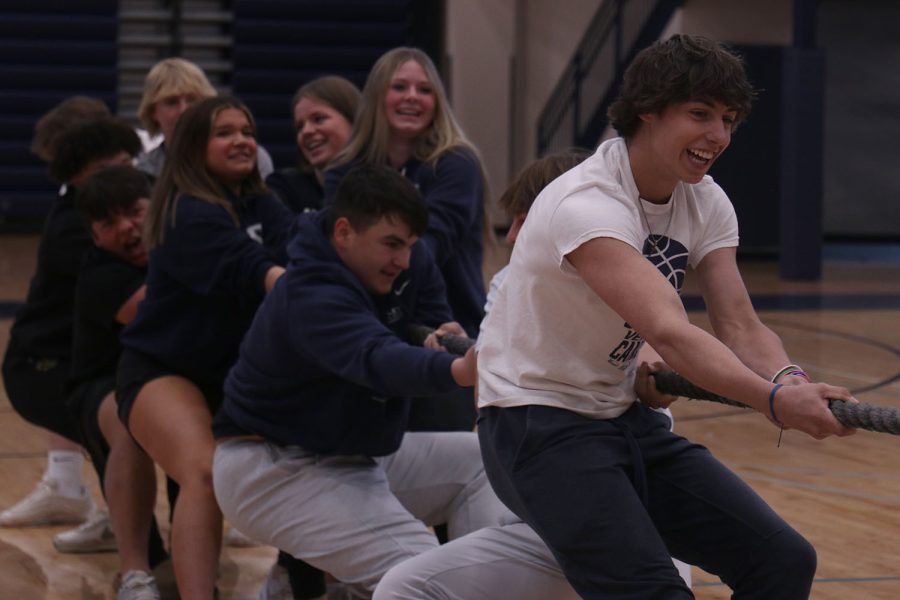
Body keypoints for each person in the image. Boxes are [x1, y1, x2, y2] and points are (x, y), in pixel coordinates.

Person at [476, 34, 857, 599]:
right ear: (647, 112)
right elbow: (670, 331)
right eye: (699, 115)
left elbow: (740, 324)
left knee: (782, 560)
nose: (718, 136)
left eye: (728, 119)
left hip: (620, 417)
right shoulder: (587, 203)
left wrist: (790, 380)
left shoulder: (705, 200)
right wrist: (774, 403)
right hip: (536, 424)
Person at [212, 163, 578, 600]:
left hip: (352, 454)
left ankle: (487, 585)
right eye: (390, 245)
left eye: (409, 244)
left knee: (480, 464)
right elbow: (375, 358)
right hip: (272, 468)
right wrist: (458, 369)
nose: (403, 259)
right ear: (344, 232)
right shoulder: (309, 292)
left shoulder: (404, 256)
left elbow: (427, 307)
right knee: (427, 577)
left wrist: (442, 331)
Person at [116, 96, 294, 599]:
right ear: (195, 147)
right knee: (203, 471)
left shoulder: (264, 202)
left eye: (247, 130)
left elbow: (306, 246)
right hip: (162, 369)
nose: (241, 140)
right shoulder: (185, 212)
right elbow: (256, 270)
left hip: (233, 377)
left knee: (313, 451)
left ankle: (297, 577)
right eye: (225, 132)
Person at [325, 46, 487, 432]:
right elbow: (337, 253)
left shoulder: (457, 163)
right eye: (400, 87)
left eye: (424, 89)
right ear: (379, 96)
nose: (412, 97)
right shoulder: (343, 171)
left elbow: (429, 246)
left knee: (444, 464)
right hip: (366, 332)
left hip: (446, 331)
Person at [1, 113, 141, 539]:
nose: (116, 177)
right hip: (40, 367)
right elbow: (139, 309)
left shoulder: (129, 209)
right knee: (122, 427)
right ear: (76, 178)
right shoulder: (74, 229)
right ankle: (131, 535)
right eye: (103, 170)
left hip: (82, 360)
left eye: (124, 164)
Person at [67, 165, 170, 598]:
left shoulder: (179, 245)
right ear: (94, 237)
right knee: (130, 427)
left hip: (170, 377)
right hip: (102, 385)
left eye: (133, 212)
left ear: (156, 209)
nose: (126, 228)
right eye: (107, 223)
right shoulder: (100, 275)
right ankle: (135, 574)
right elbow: (163, 313)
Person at [135, 57, 275, 179]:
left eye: (192, 100)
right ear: (152, 111)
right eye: (172, 102)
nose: (184, 110)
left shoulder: (246, 157)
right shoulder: (145, 170)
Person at [267, 75, 360, 214]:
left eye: (318, 119)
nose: (306, 131)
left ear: (354, 120)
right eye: (299, 126)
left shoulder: (385, 182)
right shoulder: (283, 188)